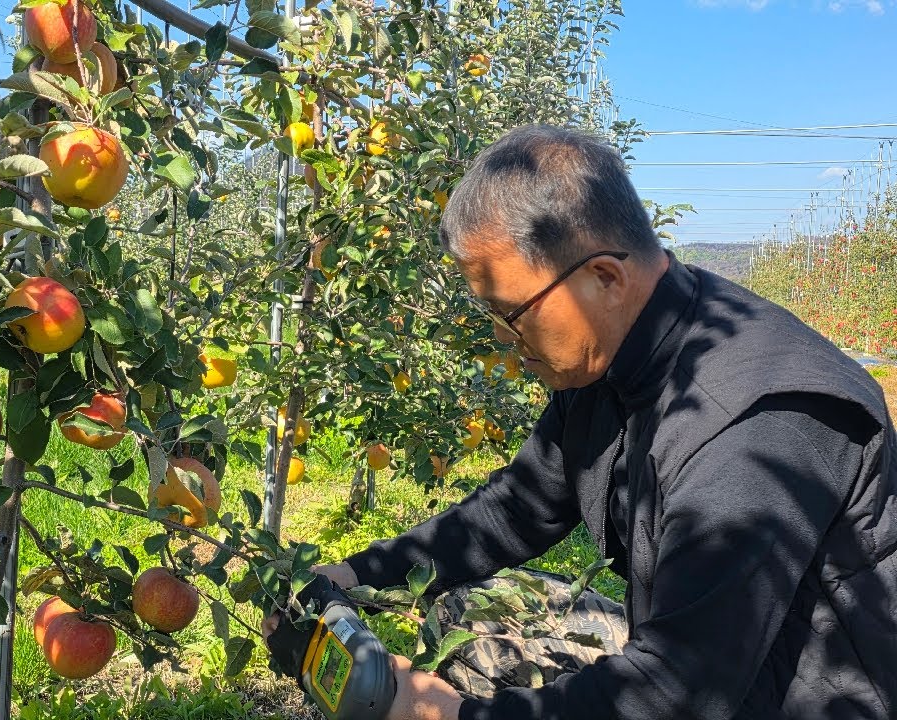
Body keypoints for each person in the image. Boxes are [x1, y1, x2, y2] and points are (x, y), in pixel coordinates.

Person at [266, 125, 897, 719]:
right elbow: (516, 508)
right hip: (708, 657)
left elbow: (678, 691)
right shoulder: (608, 360)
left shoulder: (754, 427)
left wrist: (445, 712)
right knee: (469, 611)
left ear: (604, 278)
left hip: (797, 695)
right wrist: (352, 576)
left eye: (512, 314)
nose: (504, 340)